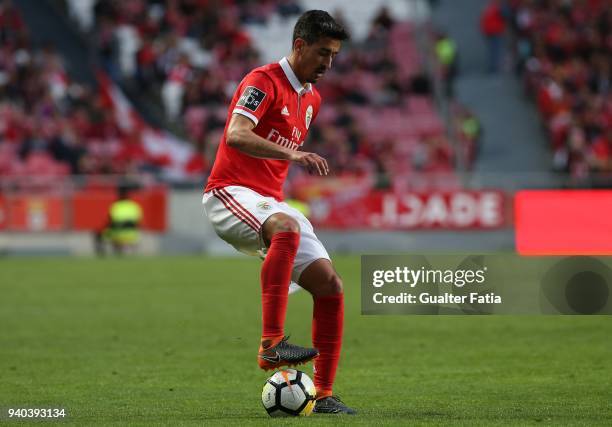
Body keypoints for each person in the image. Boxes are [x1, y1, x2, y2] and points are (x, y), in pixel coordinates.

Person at [202, 10, 355, 415]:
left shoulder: (312, 99)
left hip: (268, 202)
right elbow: (236, 135)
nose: (328, 63)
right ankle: (271, 344)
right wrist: (294, 153)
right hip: (229, 193)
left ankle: (323, 394)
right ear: (299, 45)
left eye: (334, 55)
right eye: (322, 52)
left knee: (331, 286)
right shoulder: (262, 81)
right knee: (285, 227)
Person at [95, 185, 143, 256]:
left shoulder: (116, 206)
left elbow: (110, 222)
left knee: (99, 233)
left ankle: (103, 254)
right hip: (133, 234)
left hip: (118, 234)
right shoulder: (135, 206)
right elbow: (138, 222)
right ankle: (122, 251)